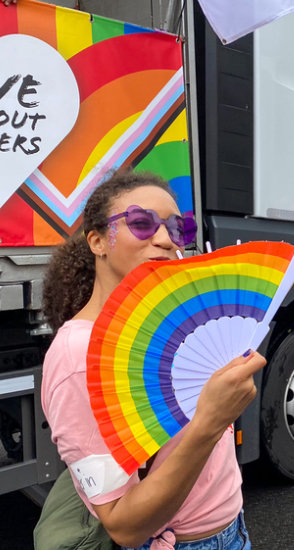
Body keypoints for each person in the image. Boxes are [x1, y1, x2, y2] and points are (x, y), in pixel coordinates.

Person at [40, 169, 262, 550]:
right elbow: (123, 526)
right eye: (141, 223)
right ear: (97, 241)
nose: (165, 240)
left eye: (178, 229)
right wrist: (211, 420)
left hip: (232, 529)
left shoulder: (173, 323)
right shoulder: (80, 356)